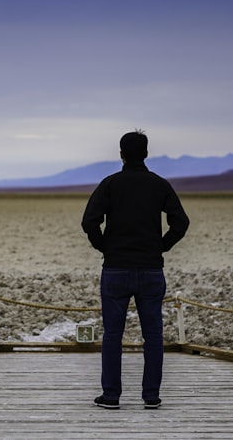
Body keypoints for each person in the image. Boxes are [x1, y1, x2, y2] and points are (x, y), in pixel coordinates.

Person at [81, 130, 190, 410]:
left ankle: (111, 396)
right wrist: (161, 246)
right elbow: (181, 222)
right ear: (147, 153)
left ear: (121, 154)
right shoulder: (159, 185)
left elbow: (89, 221)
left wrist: (105, 247)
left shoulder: (110, 184)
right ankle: (151, 396)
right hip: (151, 270)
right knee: (153, 334)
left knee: (112, 335)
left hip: (116, 270)